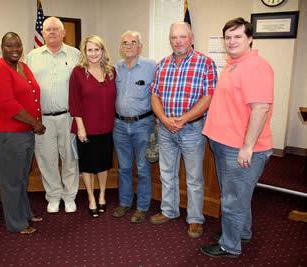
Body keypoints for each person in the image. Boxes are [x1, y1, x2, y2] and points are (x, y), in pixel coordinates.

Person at [200, 17, 274, 258]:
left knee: (232, 199)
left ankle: (229, 245)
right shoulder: (234, 63)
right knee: (237, 196)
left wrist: (247, 147)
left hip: (240, 149)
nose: (232, 41)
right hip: (224, 143)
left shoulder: (256, 66)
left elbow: (260, 108)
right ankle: (241, 232)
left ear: (250, 38)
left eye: (238, 36)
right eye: (228, 37)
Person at [150, 22, 217, 238]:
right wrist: (163, 119)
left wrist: (183, 119)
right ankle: (169, 210)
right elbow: (154, 95)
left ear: (191, 38)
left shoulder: (205, 63)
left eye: (182, 37)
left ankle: (195, 219)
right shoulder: (162, 64)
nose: (178, 41)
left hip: (191, 130)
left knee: (194, 178)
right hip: (165, 129)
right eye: (173, 37)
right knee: (167, 173)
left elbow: (208, 97)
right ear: (169, 40)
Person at [0, 32, 46, 235]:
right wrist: (35, 123)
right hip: (7, 134)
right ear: (1, 47)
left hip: (25, 132)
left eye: (18, 45)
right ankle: (16, 223)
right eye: (9, 46)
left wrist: (35, 123)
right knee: (11, 181)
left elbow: (33, 96)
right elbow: (7, 104)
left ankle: (25, 213)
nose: (14, 49)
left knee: (21, 178)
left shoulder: (23, 66)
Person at [26, 17, 80, 214]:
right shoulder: (32, 56)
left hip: (69, 117)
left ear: (63, 33)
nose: (52, 32)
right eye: (48, 29)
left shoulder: (76, 55)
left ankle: (70, 196)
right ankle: (54, 197)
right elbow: (26, 88)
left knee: (70, 158)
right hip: (43, 120)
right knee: (46, 159)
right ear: (43, 33)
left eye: (56, 29)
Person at [69, 35, 116, 218]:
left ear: (103, 51)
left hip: (107, 128)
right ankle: (91, 198)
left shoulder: (111, 72)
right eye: (90, 50)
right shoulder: (78, 72)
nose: (94, 53)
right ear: (84, 52)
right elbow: (74, 103)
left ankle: (102, 195)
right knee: (88, 166)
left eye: (97, 49)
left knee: (103, 164)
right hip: (86, 128)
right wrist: (80, 127)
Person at [112, 31, 156, 223]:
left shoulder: (152, 67)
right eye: (125, 43)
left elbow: (160, 93)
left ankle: (142, 206)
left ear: (140, 46)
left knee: (143, 167)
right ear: (121, 47)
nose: (128, 45)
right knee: (124, 168)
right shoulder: (115, 68)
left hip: (143, 125)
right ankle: (125, 202)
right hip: (119, 125)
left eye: (133, 42)